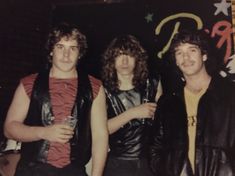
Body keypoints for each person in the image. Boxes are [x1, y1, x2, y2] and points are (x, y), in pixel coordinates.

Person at [4, 22, 108, 176]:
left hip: (74, 171)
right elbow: (9, 129)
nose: (66, 55)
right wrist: (43, 133)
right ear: (51, 51)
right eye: (60, 47)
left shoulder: (94, 86)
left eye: (72, 48)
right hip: (32, 170)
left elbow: (100, 136)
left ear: (80, 53)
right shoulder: (29, 83)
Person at [150, 30, 235, 176]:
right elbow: (155, 149)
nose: (186, 57)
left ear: (204, 55)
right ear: (176, 60)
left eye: (192, 50)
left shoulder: (230, 94)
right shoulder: (168, 102)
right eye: (179, 53)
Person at [101, 35, 162, 176]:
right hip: (117, 163)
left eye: (129, 55)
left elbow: (162, 124)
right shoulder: (102, 89)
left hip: (149, 163)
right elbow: (100, 130)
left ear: (137, 59)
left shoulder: (152, 83)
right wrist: (133, 113)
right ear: (111, 60)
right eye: (119, 55)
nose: (124, 61)